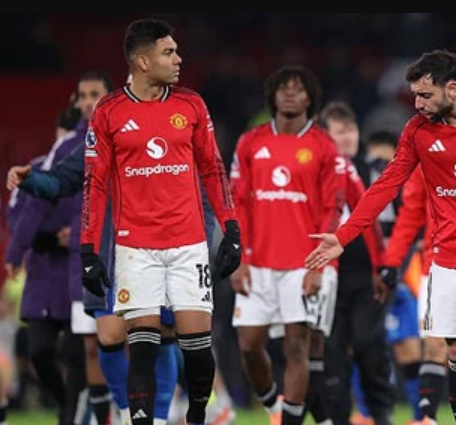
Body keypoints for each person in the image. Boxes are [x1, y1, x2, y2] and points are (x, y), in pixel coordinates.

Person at [305, 49, 456, 425]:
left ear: (452, 88)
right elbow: (386, 184)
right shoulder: (418, 131)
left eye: (425, 95)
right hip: (447, 259)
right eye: (415, 96)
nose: (418, 104)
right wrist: (343, 236)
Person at [80, 17, 241, 425]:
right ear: (142, 61)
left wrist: (231, 228)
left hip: (188, 244)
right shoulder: (109, 111)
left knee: (196, 347)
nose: (178, 59)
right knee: (143, 347)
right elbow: (94, 183)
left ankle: (198, 413)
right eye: (169, 52)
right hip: (136, 247)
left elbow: (213, 169)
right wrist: (88, 249)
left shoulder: (191, 104)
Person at [228, 65, 345, 425]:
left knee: (297, 346)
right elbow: (237, 203)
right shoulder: (251, 142)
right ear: (273, 95)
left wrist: (318, 266)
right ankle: (272, 405)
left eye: (298, 89)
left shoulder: (324, 146)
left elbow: (333, 208)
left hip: (301, 264)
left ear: (310, 98)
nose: (289, 94)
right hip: (257, 263)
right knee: (249, 345)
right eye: (283, 88)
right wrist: (238, 258)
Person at [4, 93, 89, 425]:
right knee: (39, 351)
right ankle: (68, 405)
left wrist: (77, 234)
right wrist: (50, 239)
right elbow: (17, 217)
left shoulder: (89, 166)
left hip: (78, 271)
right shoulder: (41, 169)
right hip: (43, 273)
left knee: (79, 353)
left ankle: (76, 414)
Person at [317, 101, 397, 425]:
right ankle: (340, 417)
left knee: (369, 345)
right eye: (340, 131)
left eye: (351, 129)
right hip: (329, 276)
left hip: (367, 275)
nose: (348, 137)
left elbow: (391, 221)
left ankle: (381, 413)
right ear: (325, 137)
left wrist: (386, 266)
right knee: (332, 351)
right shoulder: (316, 174)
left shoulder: (373, 173)